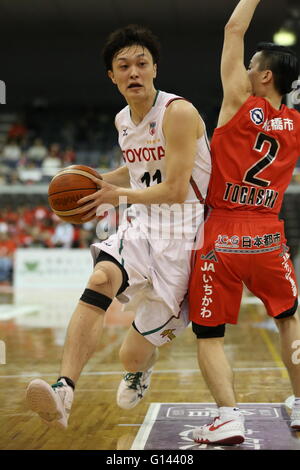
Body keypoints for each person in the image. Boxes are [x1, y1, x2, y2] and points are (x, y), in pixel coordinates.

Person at [26, 24, 211, 428]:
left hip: (186, 234)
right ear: (112, 76)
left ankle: (139, 368)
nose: (133, 72)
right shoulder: (123, 119)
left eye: (141, 64)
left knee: (132, 353)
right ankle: (63, 390)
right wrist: (97, 182)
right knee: (99, 279)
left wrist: (116, 197)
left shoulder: (178, 113)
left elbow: (177, 189)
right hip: (143, 226)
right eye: (123, 66)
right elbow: (138, 169)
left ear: (155, 69)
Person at [189, 0, 300, 446]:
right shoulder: (294, 123)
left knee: (209, 334)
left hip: (222, 232)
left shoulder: (238, 101)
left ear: (265, 75)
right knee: (290, 319)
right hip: (269, 233)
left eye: (253, 66)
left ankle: (228, 417)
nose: (246, 70)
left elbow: (233, 27)